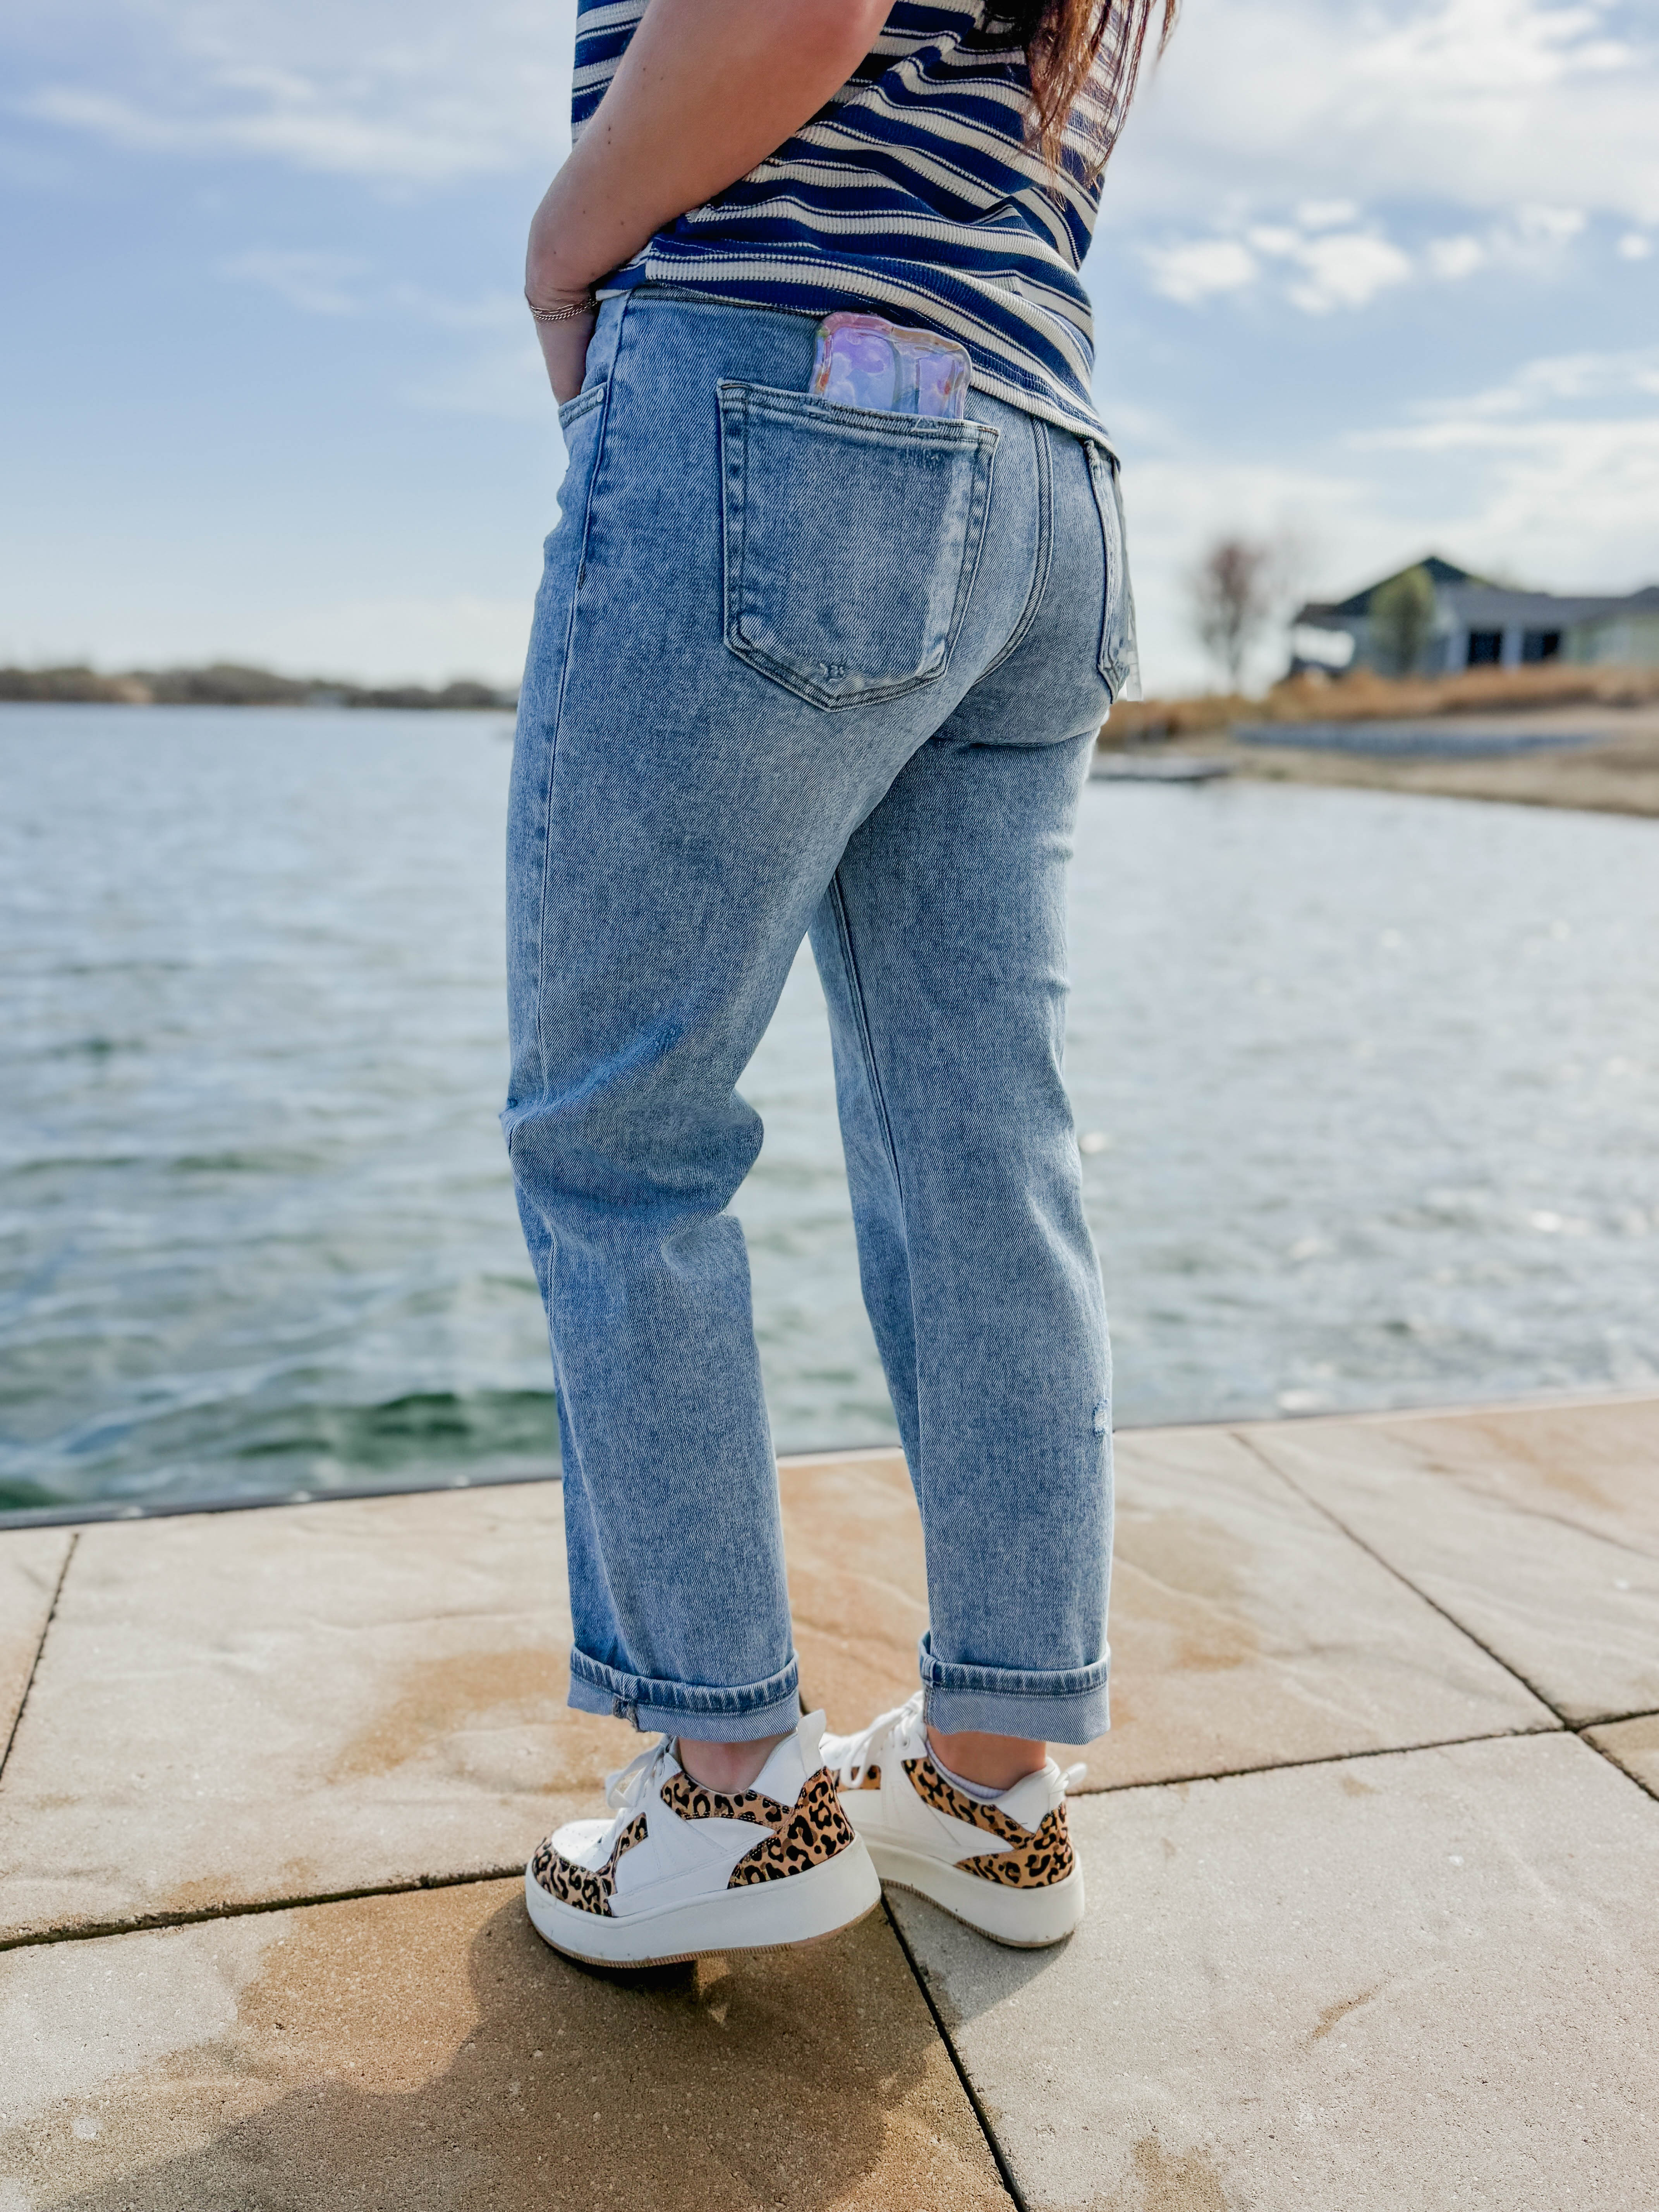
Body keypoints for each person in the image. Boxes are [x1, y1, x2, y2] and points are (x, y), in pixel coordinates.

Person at [507, 0, 1174, 1969]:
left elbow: (800, 12)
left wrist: (560, 253)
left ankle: (731, 1794)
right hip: (1045, 464)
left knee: (623, 1135)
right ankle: (990, 1781)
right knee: (983, 1145)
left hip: (785, 397)